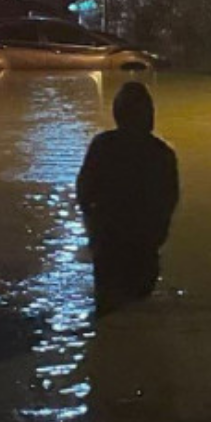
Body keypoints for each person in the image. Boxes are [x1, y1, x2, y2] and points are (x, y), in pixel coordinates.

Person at [77, 82, 180, 315]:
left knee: (108, 310)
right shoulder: (161, 153)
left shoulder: (103, 146)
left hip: (109, 241)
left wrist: (93, 227)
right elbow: (169, 199)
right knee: (140, 309)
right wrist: (157, 234)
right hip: (142, 242)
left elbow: (84, 191)